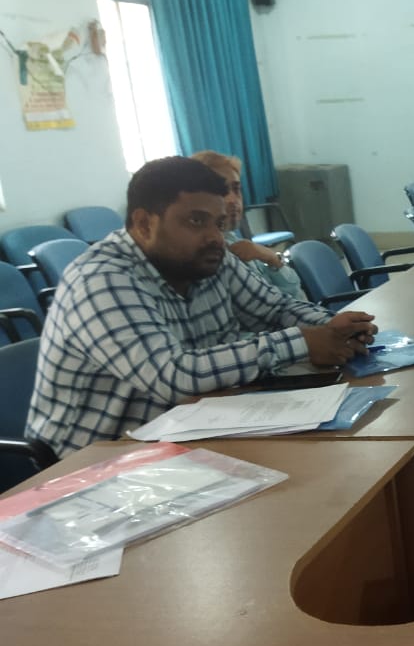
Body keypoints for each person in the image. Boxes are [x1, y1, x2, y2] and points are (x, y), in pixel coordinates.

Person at [26, 156, 377, 458]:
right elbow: (174, 376)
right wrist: (303, 342)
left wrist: (339, 327)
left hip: (190, 430)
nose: (214, 237)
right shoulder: (101, 279)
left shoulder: (207, 256)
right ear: (144, 224)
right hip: (100, 459)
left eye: (219, 223)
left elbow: (275, 309)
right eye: (196, 221)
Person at [189, 149, 305, 301]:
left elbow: (294, 291)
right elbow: (270, 305)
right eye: (222, 191)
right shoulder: (208, 256)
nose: (233, 200)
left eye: (236, 189)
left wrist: (271, 258)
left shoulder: (235, 240)